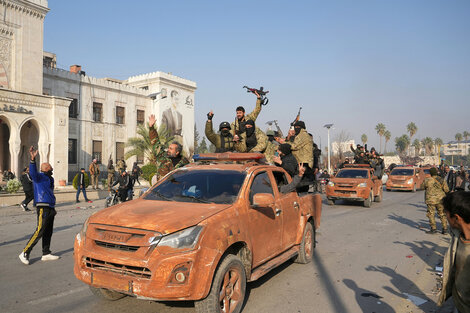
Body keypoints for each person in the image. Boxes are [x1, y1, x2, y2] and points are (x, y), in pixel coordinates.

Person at [19, 146, 60, 265]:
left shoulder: (49, 179)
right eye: (50, 167)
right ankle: (25, 252)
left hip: (50, 207)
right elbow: (32, 172)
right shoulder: (39, 177)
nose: (52, 168)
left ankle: (46, 253)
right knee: (40, 230)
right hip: (42, 206)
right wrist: (32, 159)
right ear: (46, 168)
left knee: (48, 231)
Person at [438, 191, 470, 312]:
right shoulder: (458, 236)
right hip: (456, 302)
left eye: (446, 215)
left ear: (456, 218)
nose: (445, 218)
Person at [149, 114, 189, 182]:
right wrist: (151, 128)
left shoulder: (185, 162)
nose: (168, 150)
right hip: (162, 189)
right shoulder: (162, 156)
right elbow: (155, 142)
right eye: (169, 148)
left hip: (177, 190)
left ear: (177, 152)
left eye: (171, 149)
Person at [424, 167, 449, 234]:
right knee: (442, 214)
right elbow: (446, 190)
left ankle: (433, 229)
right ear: (436, 172)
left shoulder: (427, 180)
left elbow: (422, 187)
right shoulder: (441, 180)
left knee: (431, 214)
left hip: (430, 200)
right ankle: (445, 229)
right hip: (440, 200)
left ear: (430, 173)